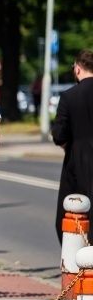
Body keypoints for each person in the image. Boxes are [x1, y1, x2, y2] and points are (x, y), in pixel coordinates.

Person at [52, 50, 93, 244]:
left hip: (77, 162)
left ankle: (78, 257)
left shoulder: (70, 96)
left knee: (71, 214)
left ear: (77, 68)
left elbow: (59, 135)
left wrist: (68, 145)